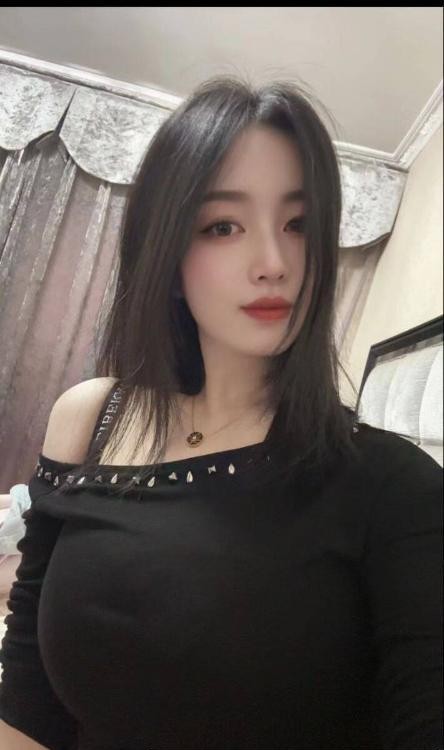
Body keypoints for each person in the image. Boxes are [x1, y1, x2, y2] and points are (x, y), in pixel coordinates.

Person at [0, 74, 442, 750]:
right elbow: (29, 690)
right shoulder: (89, 418)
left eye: (299, 224)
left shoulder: (395, 486)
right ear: (168, 252)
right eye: (223, 226)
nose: (274, 262)